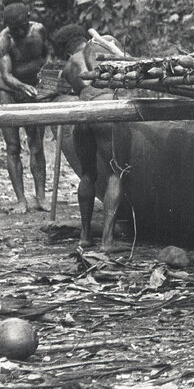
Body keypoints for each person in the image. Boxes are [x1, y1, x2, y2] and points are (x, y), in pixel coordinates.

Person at [53, 23, 128, 246]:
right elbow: (129, 62)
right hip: (105, 107)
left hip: (83, 113)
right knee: (116, 172)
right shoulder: (104, 43)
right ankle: (107, 240)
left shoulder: (67, 68)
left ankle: (85, 236)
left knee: (88, 174)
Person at [0, 1, 52, 212]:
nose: (18, 31)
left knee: (36, 144)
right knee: (13, 147)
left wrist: (48, 77)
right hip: (9, 91)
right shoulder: (3, 40)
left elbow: (47, 55)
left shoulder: (39, 31)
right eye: (13, 27)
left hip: (33, 88)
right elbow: (6, 75)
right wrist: (22, 86)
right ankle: (21, 200)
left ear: (28, 18)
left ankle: (41, 197)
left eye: (21, 26)